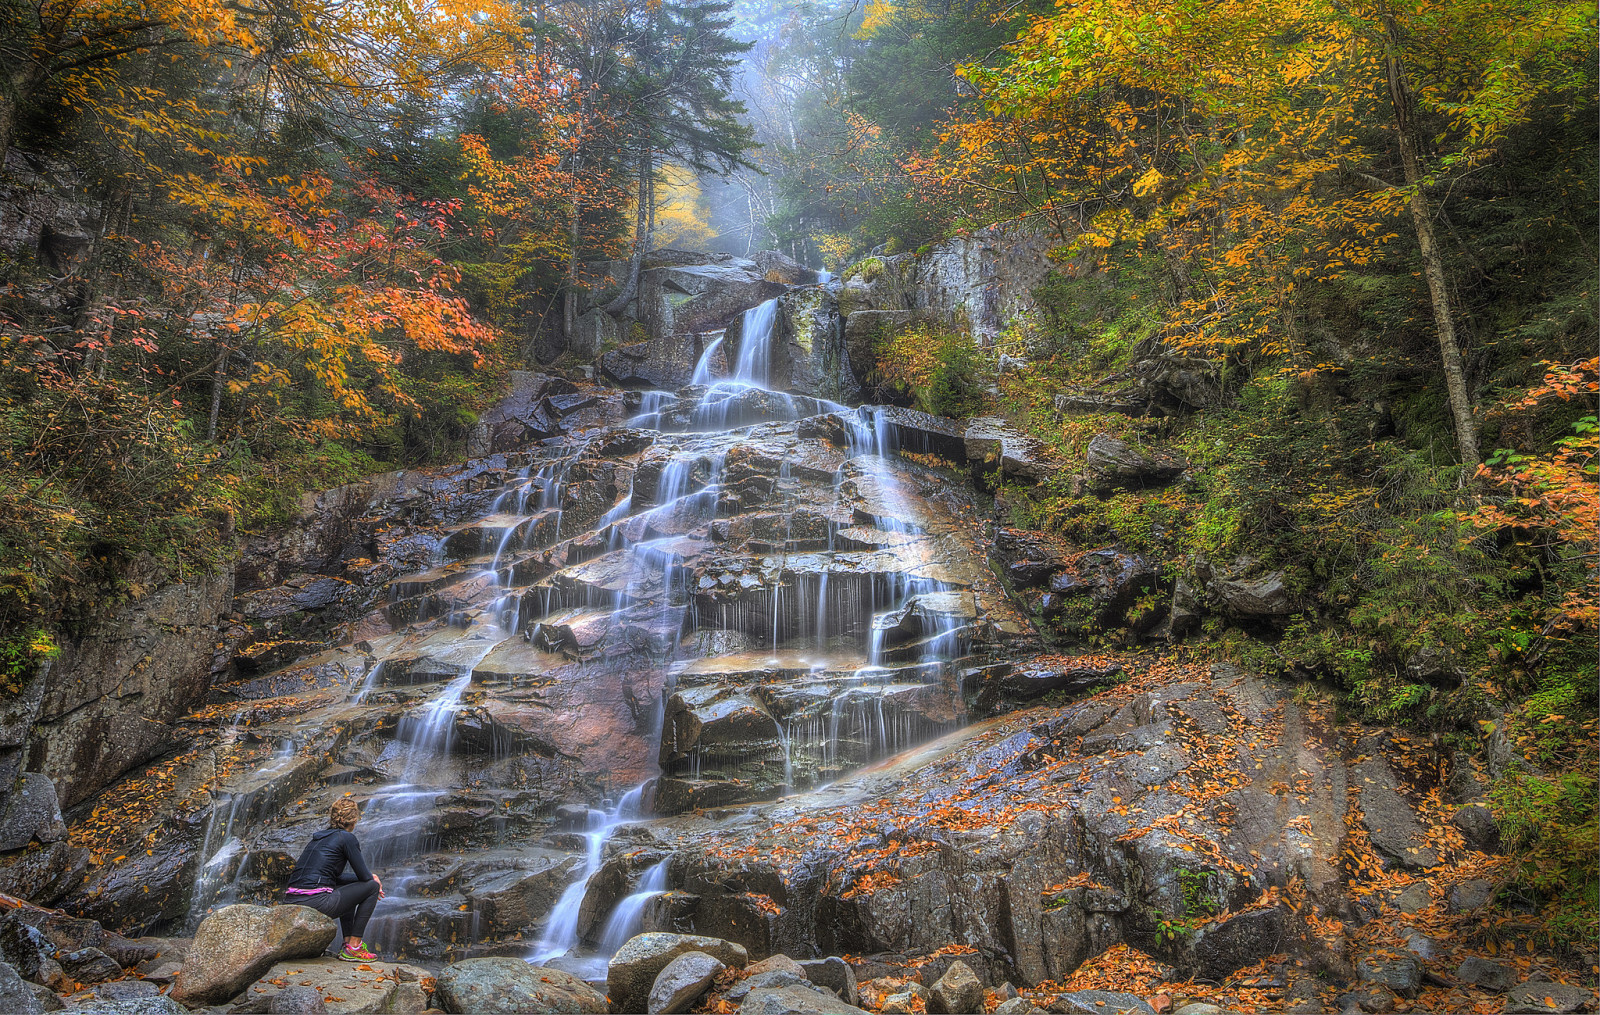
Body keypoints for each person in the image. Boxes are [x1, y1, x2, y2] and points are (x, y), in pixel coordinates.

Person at [284, 797, 385, 961]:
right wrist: (374, 878)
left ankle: (347, 943)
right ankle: (354, 947)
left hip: (291, 900)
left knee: (349, 887)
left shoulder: (318, 838)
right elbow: (365, 878)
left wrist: (367, 877)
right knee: (372, 886)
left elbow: (335, 877)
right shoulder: (347, 838)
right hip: (315, 901)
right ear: (353, 821)